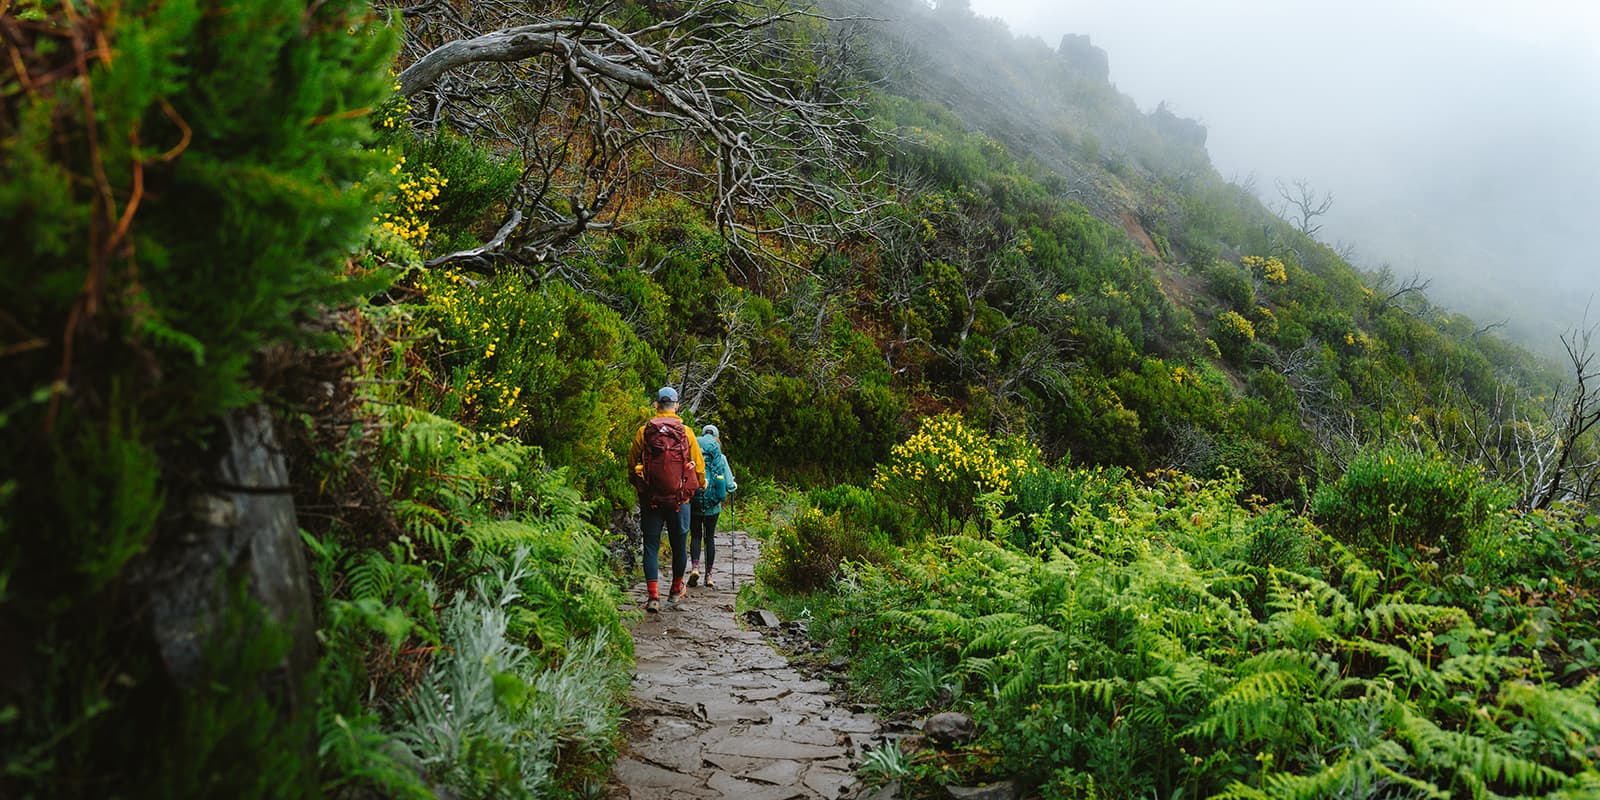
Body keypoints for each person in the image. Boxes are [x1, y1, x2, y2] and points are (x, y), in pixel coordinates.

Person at [628, 386, 707, 613]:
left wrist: (640, 487)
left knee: (651, 545)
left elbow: (632, 463)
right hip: (679, 501)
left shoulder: (644, 431)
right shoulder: (687, 432)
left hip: (651, 498)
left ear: (655, 405)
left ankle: (653, 597)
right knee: (679, 545)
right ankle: (674, 591)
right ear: (677, 406)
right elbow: (698, 466)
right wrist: (700, 485)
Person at [688, 424, 737, 590]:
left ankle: (695, 568)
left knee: (695, 536)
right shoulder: (720, 457)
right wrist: (733, 486)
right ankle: (709, 575)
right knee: (709, 538)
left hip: (694, 503)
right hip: (713, 507)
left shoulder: (693, 454)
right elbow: (729, 485)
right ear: (717, 438)